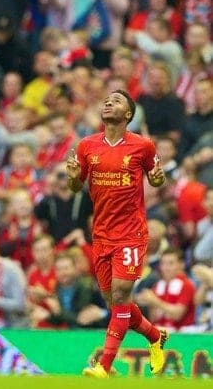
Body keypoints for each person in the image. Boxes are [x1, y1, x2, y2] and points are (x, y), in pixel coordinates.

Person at [66, 89, 168, 378]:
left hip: (131, 233)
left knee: (122, 294)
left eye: (117, 100)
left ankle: (104, 366)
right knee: (116, 304)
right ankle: (154, 337)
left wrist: (159, 179)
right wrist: (73, 179)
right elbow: (77, 187)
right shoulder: (87, 146)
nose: (109, 102)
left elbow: (156, 178)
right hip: (101, 235)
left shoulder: (143, 146)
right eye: (107, 99)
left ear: (128, 115)